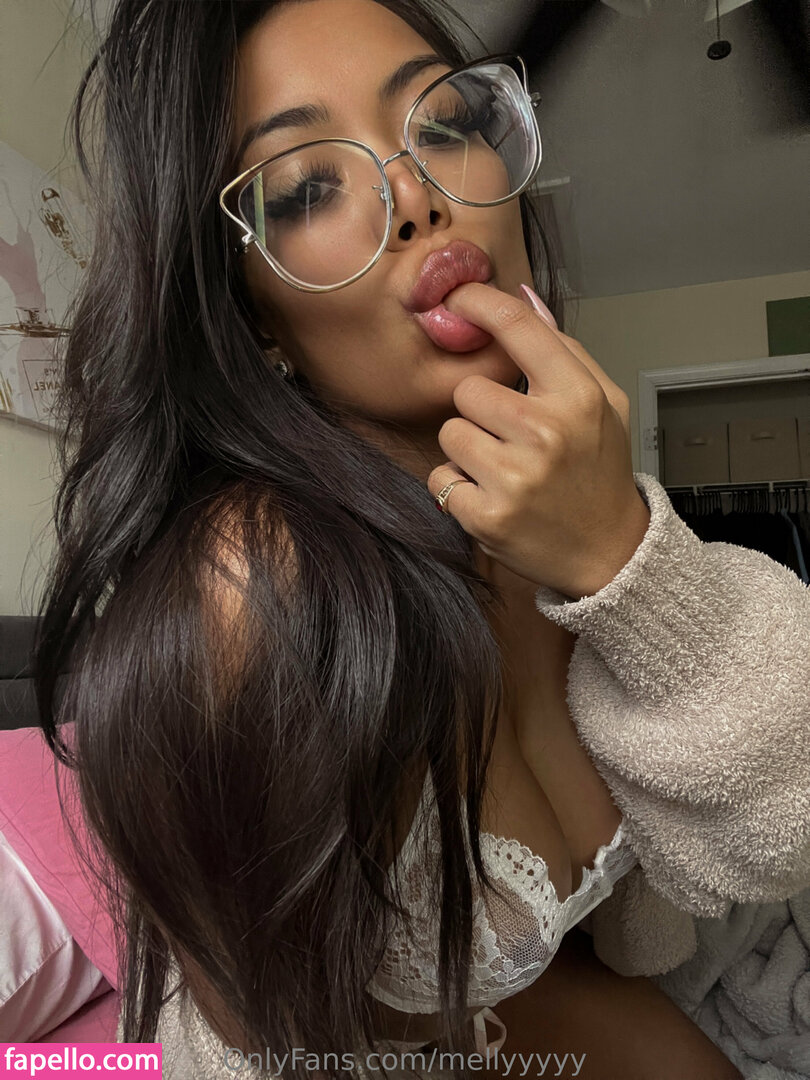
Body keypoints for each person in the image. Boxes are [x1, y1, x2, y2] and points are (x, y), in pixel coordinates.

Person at [28, 0, 810, 1078]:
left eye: (442, 125)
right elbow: (285, 1045)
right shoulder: (258, 590)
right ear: (251, 312)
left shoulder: (567, 505)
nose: (416, 195)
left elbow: (781, 821)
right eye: (307, 187)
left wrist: (626, 558)